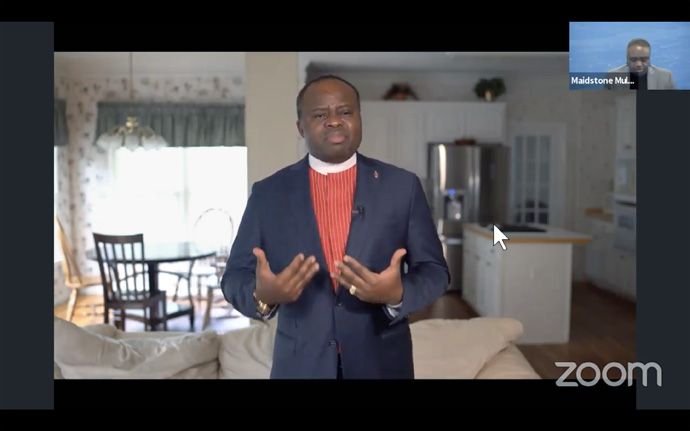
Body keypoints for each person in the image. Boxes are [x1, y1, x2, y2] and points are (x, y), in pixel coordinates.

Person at [221, 75, 450, 379]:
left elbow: (434, 270)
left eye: (345, 112)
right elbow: (235, 276)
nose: (334, 121)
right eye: (319, 115)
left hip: (383, 364)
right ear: (300, 127)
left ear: (358, 118)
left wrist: (396, 293)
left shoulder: (402, 187)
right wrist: (264, 295)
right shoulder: (268, 194)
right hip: (300, 366)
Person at [604, 38, 676, 90]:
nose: (638, 64)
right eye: (633, 60)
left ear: (649, 58)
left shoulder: (665, 77)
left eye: (644, 59)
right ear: (627, 58)